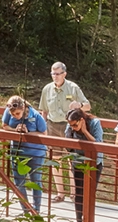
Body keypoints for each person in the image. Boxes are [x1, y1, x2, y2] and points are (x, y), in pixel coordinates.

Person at [38, 62, 91, 203]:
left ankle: (74, 193)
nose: (55, 77)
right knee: (56, 160)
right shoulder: (47, 89)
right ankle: (60, 193)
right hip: (53, 126)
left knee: (70, 160)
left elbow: (88, 106)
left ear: (64, 74)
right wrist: (43, 128)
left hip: (70, 127)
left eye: (58, 74)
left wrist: (79, 105)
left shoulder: (73, 88)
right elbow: (44, 111)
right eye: (53, 74)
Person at [1, 95, 47, 214]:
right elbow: (4, 126)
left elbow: (44, 133)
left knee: (35, 181)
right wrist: (15, 130)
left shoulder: (36, 116)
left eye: (17, 114)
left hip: (36, 153)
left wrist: (29, 133)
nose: (15, 116)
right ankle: (26, 210)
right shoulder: (8, 111)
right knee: (19, 182)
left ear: (23, 108)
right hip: (17, 152)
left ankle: (36, 210)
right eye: (13, 115)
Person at [64, 107, 103, 222]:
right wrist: (70, 132)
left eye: (75, 125)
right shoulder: (70, 126)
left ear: (81, 120)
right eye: (70, 126)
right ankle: (79, 221)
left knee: (90, 193)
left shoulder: (95, 123)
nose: (73, 128)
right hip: (78, 162)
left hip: (94, 163)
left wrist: (85, 131)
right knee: (79, 193)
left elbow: (98, 144)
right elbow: (68, 146)